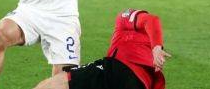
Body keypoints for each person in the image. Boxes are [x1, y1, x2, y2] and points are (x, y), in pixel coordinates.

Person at [33, 9, 171, 89]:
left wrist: (156, 48)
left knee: (56, 83)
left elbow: (152, 20)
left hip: (119, 69)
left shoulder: (125, 18)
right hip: (141, 84)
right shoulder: (151, 51)